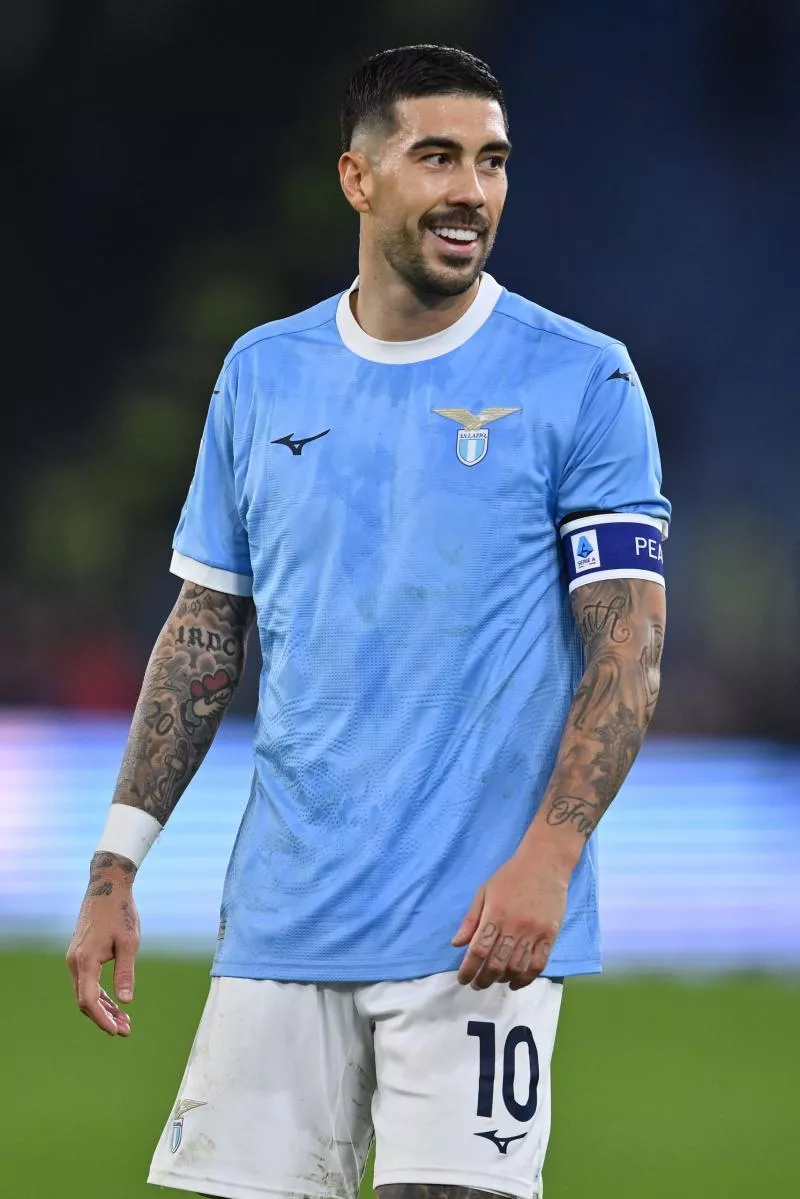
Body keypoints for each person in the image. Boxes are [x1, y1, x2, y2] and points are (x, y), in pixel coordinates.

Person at [66, 43, 669, 1199]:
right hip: (282, 927)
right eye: (434, 156)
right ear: (357, 178)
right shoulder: (261, 374)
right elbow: (204, 627)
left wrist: (550, 853)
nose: (470, 190)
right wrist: (114, 865)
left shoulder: (580, 379)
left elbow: (627, 647)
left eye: (491, 161)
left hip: (474, 937)